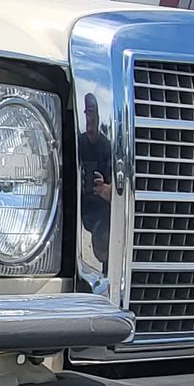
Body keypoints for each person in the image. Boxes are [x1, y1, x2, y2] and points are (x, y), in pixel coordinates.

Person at [77, 92, 112, 262]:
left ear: (98, 115)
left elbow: (119, 189)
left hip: (101, 212)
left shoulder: (107, 146)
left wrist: (105, 189)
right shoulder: (78, 142)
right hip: (77, 207)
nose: (88, 118)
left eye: (91, 111)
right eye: (86, 112)